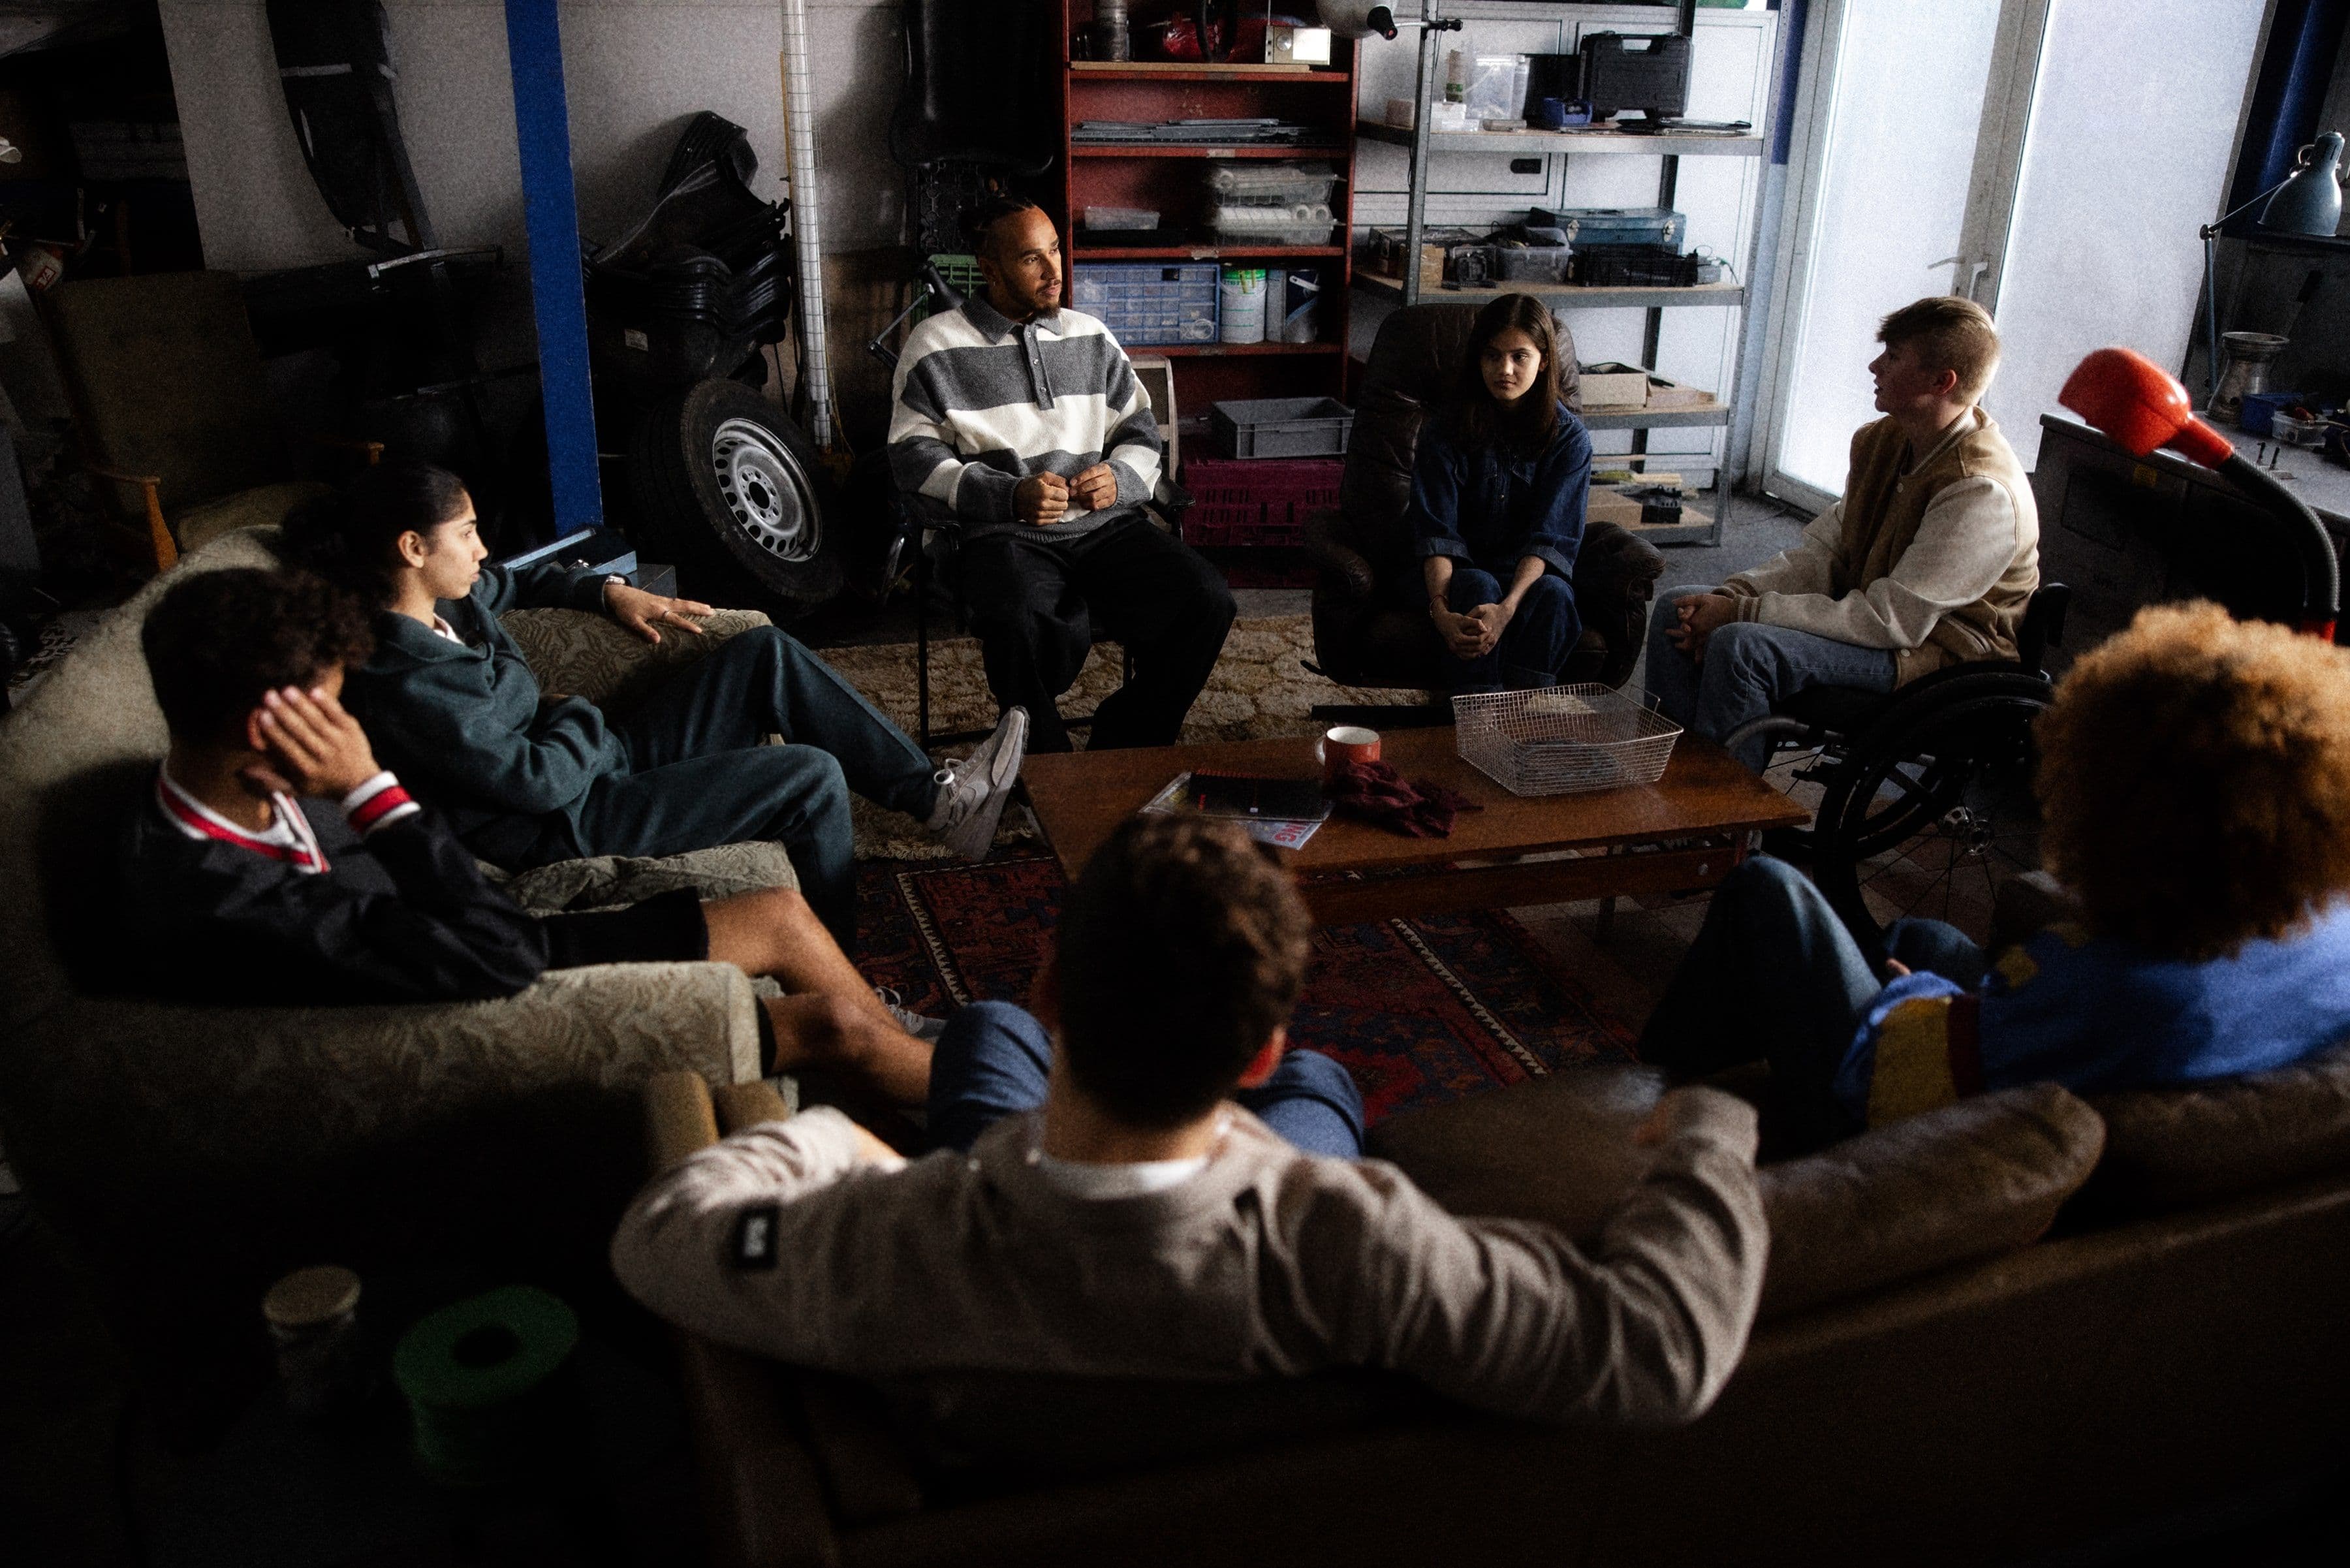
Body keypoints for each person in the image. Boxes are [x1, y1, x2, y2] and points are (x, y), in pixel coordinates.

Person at [612, 815, 1768, 1427]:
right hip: (1240, 1207)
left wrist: (836, 1143)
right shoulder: (1357, 1240)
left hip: (1009, 1198)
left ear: (1056, 985)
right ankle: (1284, 1088)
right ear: (1246, 1048)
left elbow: (661, 1229)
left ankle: (1023, 1047)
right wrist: (1712, 1124)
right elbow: (1656, 1354)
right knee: (1321, 1089)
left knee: (980, 1038)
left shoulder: (887, 1247)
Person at [112, 567, 938, 1101]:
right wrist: (370, 790)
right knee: (832, 1024)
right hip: (492, 987)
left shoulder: (228, 782)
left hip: (478, 923)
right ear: (269, 726)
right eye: (329, 707)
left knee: (782, 915)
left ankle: (905, 1065)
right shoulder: (228, 901)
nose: (345, 727)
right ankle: (1006, 1123)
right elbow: (493, 958)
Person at [1640, 602, 2350, 1151]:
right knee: (1928, 935)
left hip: (1888, 1121)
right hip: (2105, 1049)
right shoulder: (2331, 932)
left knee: (1767, 889)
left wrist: (1907, 999)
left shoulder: (2117, 991)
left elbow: (1900, 1070)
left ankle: (1651, 1089)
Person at [282, 460, 1027, 950]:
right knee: (809, 777)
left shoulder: (453, 599)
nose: (483, 550)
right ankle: (845, 972)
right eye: (468, 534)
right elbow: (533, 782)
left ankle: (938, 800)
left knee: (760, 651)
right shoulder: (404, 675)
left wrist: (607, 589)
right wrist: (575, 717)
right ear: (413, 547)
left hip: (589, 761)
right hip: (557, 823)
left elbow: (523, 580)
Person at [887, 195, 1237, 754]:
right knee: (1016, 622)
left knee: (1208, 600)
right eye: (1032, 259)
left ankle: (1124, 741)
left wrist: (1120, 479)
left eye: (1055, 250)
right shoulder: (935, 345)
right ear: (991, 268)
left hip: (1106, 527)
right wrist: (1006, 496)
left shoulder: (1090, 335)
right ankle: (1048, 771)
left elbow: (1142, 434)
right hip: (1006, 535)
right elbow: (911, 455)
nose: (1056, 271)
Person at [1645, 296, 2040, 771]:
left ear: (1942, 382)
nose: (1875, 366)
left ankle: (1727, 826)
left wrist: (1745, 612)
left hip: (1936, 655)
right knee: (1679, 608)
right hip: (1881, 620)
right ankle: (1674, 785)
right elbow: (1827, 550)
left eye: (1893, 357)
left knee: (1740, 646)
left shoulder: (1981, 490)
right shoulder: (1886, 440)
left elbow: (1893, 621)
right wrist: (1733, 594)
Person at [1403, 292, 1593, 692]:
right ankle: (1474, 718)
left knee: (1556, 596)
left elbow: (1550, 541)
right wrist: (1440, 612)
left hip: (1526, 574)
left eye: (1519, 357)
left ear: (1543, 361)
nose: (1503, 369)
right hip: (1458, 571)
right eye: (1492, 356)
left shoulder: (1570, 440)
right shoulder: (1446, 428)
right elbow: (1437, 533)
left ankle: (1521, 715)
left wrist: (1507, 609)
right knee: (1477, 587)